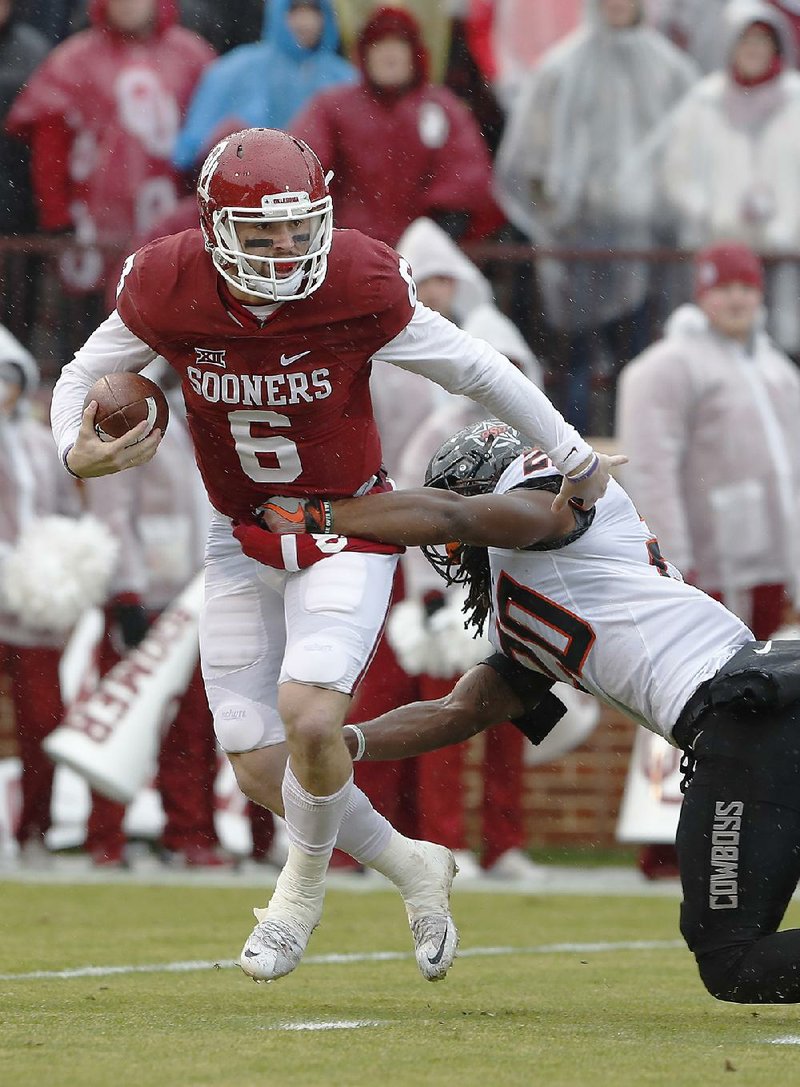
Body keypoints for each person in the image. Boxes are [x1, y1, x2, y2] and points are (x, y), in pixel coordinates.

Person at [49, 127, 619, 984]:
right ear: (213, 228)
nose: (287, 251)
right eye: (264, 233)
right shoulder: (167, 283)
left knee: (312, 718)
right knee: (257, 764)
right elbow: (77, 377)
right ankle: (410, 865)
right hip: (238, 529)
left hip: (349, 523)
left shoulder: (355, 280)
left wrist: (574, 456)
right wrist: (73, 446)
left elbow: (477, 370)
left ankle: (297, 896)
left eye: (299, 227)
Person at [256, 419, 800, 1005]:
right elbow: (459, 711)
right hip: (754, 712)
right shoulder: (517, 608)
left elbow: (454, 518)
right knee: (730, 948)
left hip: (748, 711)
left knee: (733, 961)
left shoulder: (562, 498)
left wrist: (324, 518)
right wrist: (346, 742)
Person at [494, 0, 698, 432]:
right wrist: (555, 209)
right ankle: (577, 469)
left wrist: (659, 206)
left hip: (645, 252)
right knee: (576, 367)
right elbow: (528, 157)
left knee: (637, 366)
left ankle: (634, 456)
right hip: (578, 249)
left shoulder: (669, 70)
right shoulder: (561, 68)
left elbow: (689, 153)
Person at [5, 0, 215, 353]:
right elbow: (50, 143)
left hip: (169, 218)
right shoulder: (73, 59)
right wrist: (56, 215)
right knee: (89, 335)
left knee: (167, 317)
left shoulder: (192, 55)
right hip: (91, 227)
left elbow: (209, 136)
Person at [617, 242, 800, 639]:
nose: (737, 298)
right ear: (702, 293)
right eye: (725, 287)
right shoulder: (668, 367)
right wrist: (672, 559)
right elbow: (651, 468)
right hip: (713, 563)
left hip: (774, 560)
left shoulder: (776, 368)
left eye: (747, 287)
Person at [637, 1, 800, 351]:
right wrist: (711, 215)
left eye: (762, 41)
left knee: (783, 349)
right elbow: (675, 172)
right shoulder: (703, 101)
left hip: (789, 258)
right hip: (720, 254)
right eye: (746, 40)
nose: (753, 50)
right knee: (720, 347)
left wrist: (789, 224)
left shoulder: (796, 101)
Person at [291, 6, 502, 245]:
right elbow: (302, 167)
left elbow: (467, 178)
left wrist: (433, 236)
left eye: (398, 46)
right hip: (348, 246)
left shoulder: (443, 108)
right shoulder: (332, 107)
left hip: (424, 251)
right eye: (379, 46)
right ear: (364, 55)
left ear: (415, 54)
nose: (389, 55)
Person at [173, 0, 356, 173]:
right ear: (277, 12)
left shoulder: (344, 78)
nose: (305, 22)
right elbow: (193, 147)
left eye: (314, 11)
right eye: (294, 10)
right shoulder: (237, 69)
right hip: (247, 191)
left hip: (324, 197)